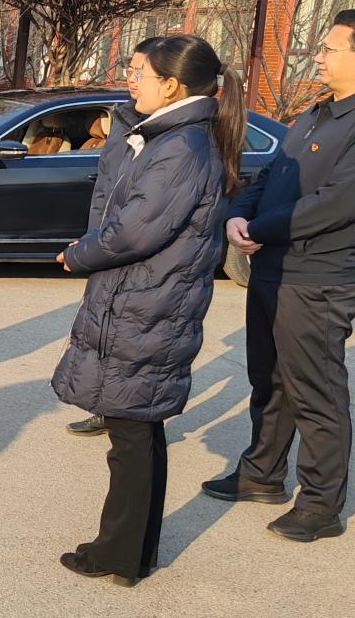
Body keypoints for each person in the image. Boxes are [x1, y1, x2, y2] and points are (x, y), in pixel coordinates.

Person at [52, 34, 246, 585]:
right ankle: (134, 551)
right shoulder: (172, 136)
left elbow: (133, 232)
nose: (130, 81)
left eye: (140, 73)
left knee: (130, 434)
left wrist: (77, 254)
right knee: (138, 426)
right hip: (149, 300)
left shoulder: (180, 147)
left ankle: (116, 555)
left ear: (172, 85)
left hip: (149, 303)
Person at [201, 9, 355, 542]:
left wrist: (260, 228)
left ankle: (320, 505)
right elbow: (268, 175)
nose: (319, 56)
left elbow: (334, 202)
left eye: (330, 48)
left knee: (316, 391)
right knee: (268, 379)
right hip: (273, 268)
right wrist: (238, 215)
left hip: (318, 277)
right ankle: (261, 473)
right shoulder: (315, 114)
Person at [66, 36, 164, 437]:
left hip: (133, 246)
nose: (132, 79)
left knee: (130, 338)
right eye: (130, 70)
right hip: (106, 237)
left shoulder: (164, 131)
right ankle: (106, 407)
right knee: (102, 329)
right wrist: (92, 237)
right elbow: (107, 187)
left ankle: (133, 419)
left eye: (141, 72)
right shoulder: (124, 117)